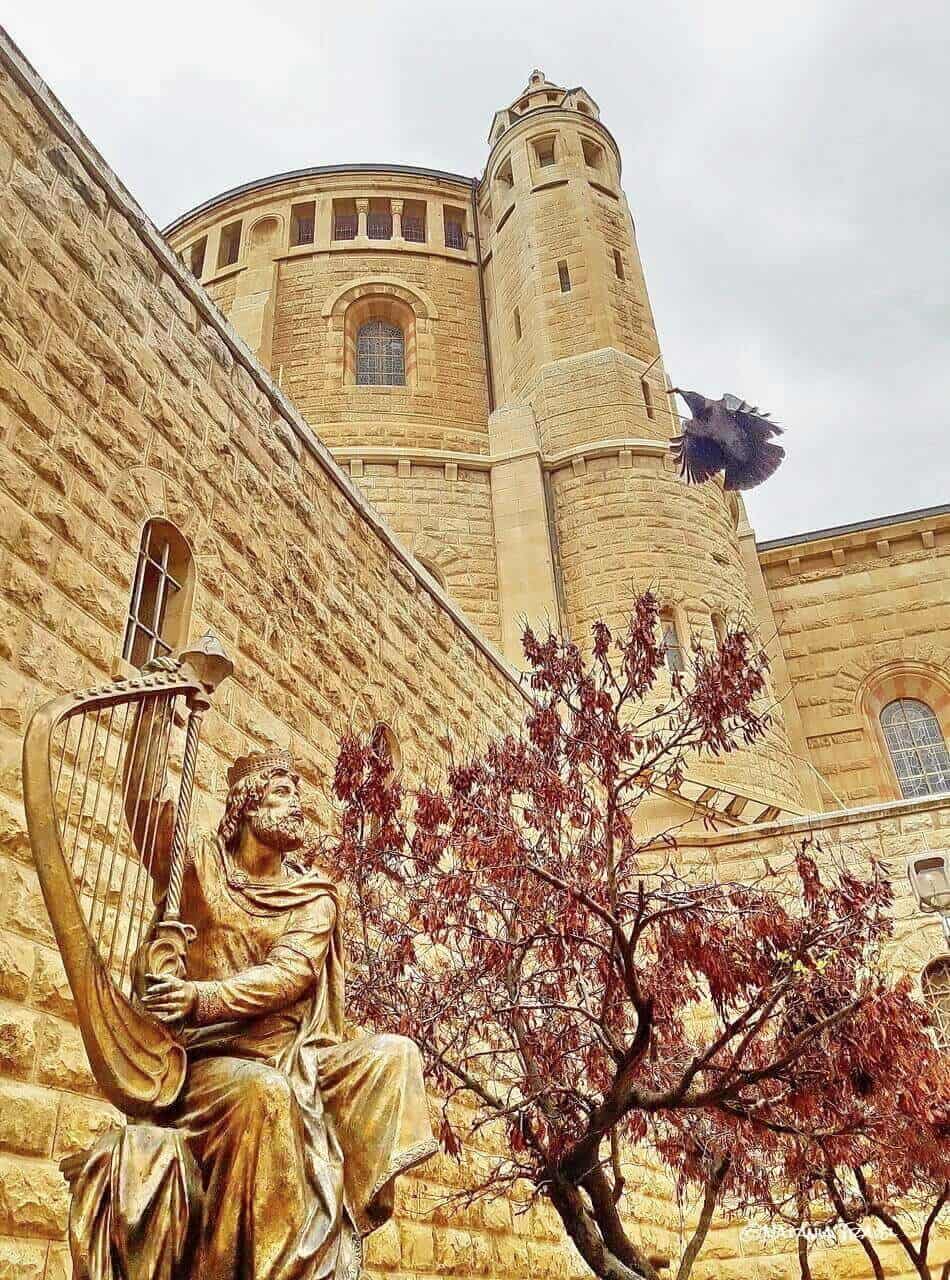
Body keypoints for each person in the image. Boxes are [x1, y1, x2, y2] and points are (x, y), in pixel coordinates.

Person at [68, 743, 436, 1280]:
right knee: (263, 1092)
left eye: (298, 796)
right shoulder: (198, 867)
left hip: (298, 1060)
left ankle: (331, 1236)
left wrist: (200, 997)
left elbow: (290, 975)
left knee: (394, 1055)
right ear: (245, 805)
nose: (297, 807)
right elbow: (146, 808)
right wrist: (158, 708)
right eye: (283, 793)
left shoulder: (314, 896)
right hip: (206, 1066)